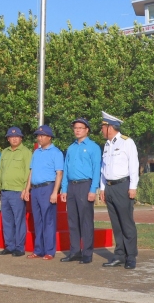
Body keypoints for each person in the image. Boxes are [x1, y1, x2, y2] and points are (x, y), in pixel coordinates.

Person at [98, 111, 139, 269]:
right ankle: (119, 255)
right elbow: (104, 169)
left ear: (110, 127)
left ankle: (131, 256)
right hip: (109, 187)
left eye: (103, 126)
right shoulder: (107, 145)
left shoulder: (126, 142)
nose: (101, 130)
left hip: (123, 186)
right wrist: (102, 188)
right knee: (116, 224)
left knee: (126, 223)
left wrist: (133, 186)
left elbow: (133, 165)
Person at [59, 117, 100, 264]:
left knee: (86, 221)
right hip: (72, 185)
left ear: (87, 130)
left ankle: (87, 253)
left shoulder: (93, 147)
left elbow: (96, 170)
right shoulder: (71, 148)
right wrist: (64, 189)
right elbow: (66, 169)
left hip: (85, 185)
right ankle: (74, 251)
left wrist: (93, 189)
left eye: (80, 128)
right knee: (73, 221)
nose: (77, 130)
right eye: (75, 128)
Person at [26, 124, 63, 260]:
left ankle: (49, 251)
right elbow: (32, 171)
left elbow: (59, 173)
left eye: (42, 136)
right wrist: (27, 189)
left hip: (48, 187)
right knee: (38, 221)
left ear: (49, 137)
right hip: (35, 189)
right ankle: (38, 249)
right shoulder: (36, 152)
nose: (39, 138)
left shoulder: (56, 153)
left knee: (48, 220)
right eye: (38, 136)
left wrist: (55, 192)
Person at [0, 126, 31, 257]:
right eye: (11, 137)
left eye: (17, 137)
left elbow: (28, 172)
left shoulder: (26, 152)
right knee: (7, 220)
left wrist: (26, 189)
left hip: (18, 191)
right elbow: (0, 171)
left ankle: (19, 247)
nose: (14, 139)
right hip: (5, 191)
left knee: (18, 220)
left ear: (21, 138)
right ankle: (9, 246)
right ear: (8, 139)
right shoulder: (4, 152)